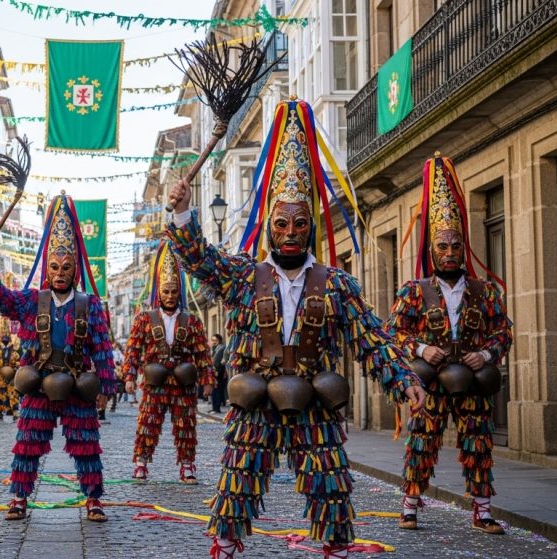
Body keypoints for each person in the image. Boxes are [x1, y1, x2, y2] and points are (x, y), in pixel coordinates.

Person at [165, 97, 427, 559]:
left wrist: (404, 379)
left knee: (332, 492)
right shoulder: (243, 276)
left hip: (315, 403)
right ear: (269, 224)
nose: (290, 232)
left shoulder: (336, 284)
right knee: (237, 485)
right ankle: (225, 548)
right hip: (255, 402)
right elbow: (200, 260)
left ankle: (336, 550)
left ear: (310, 227)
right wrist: (184, 213)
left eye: (300, 224)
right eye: (282, 223)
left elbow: (371, 336)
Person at [389, 152, 512, 535]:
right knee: (422, 441)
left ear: (463, 247)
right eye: (442, 247)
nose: (449, 253)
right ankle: (410, 506)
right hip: (431, 380)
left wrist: (486, 353)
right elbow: (393, 330)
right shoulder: (415, 291)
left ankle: (483, 511)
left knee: (479, 443)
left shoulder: (483, 290)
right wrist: (421, 349)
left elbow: (503, 330)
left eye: (455, 246)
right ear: (431, 250)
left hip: (472, 381)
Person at [0, 193, 116, 523]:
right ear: (47, 269)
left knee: (87, 445)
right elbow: (0, 298)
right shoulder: (31, 301)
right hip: (39, 384)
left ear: (75, 270)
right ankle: (19, 498)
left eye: (66, 267)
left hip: (77, 384)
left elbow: (102, 349)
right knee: (27, 443)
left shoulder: (89, 305)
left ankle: (93, 499)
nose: (60, 273)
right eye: (54, 267)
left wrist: (106, 387)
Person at [122, 240, 215, 483]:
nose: (170, 296)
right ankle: (141, 463)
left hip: (183, 382)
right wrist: (129, 376)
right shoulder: (145, 319)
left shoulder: (191, 320)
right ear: (159, 292)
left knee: (186, 425)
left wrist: (207, 380)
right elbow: (133, 350)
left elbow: (202, 353)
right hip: (154, 381)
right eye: (166, 291)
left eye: (174, 292)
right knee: (148, 422)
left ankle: (187, 465)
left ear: (179, 292)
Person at [0, 320, 21, 421]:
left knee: (13, 393)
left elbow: (19, 360)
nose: (5, 337)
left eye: (7, 335)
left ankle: (15, 412)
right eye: (3, 334)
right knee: (0, 394)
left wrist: (15, 367)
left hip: (12, 375)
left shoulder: (14, 347)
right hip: (0, 375)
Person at [210, 334, 227, 414]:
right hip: (214, 371)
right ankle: (214, 408)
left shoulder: (221, 348)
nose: (214, 342)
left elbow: (217, 362)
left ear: (219, 341)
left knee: (216, 390)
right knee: (214, 390)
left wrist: (216, 371)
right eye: (212, 340)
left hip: (218, 372)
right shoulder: (215, 348)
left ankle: (216, 408)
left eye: (215, 340)